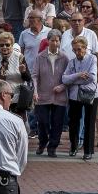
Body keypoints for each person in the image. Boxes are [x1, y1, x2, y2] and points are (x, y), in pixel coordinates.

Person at [32, 28, 68, 157]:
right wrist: (35, 91)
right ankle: (43, 142)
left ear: (60, 42)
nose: (54, 43)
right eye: (52, 40)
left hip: (59, 96)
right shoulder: (40, 57)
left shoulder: (64, 57)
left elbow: (68, 77)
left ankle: (52, 147)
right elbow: (35, 75)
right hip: (43, 95)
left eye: (57, 41)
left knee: (57, 123)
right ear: (48, 41)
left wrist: (63, 86)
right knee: (42, 122)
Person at [62, 35, 98, 160]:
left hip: (90, 94)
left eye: (79, 49)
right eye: (74, 50)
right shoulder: (72, 62)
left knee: (89, 122)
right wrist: (78, 75)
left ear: (85, 48)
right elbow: (64, 78)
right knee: (73, 122)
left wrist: (74, 80)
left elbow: (92, 78)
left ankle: (88, 151)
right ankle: (73, 146)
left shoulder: (92, 59)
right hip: (74, 96)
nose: (77, 52)